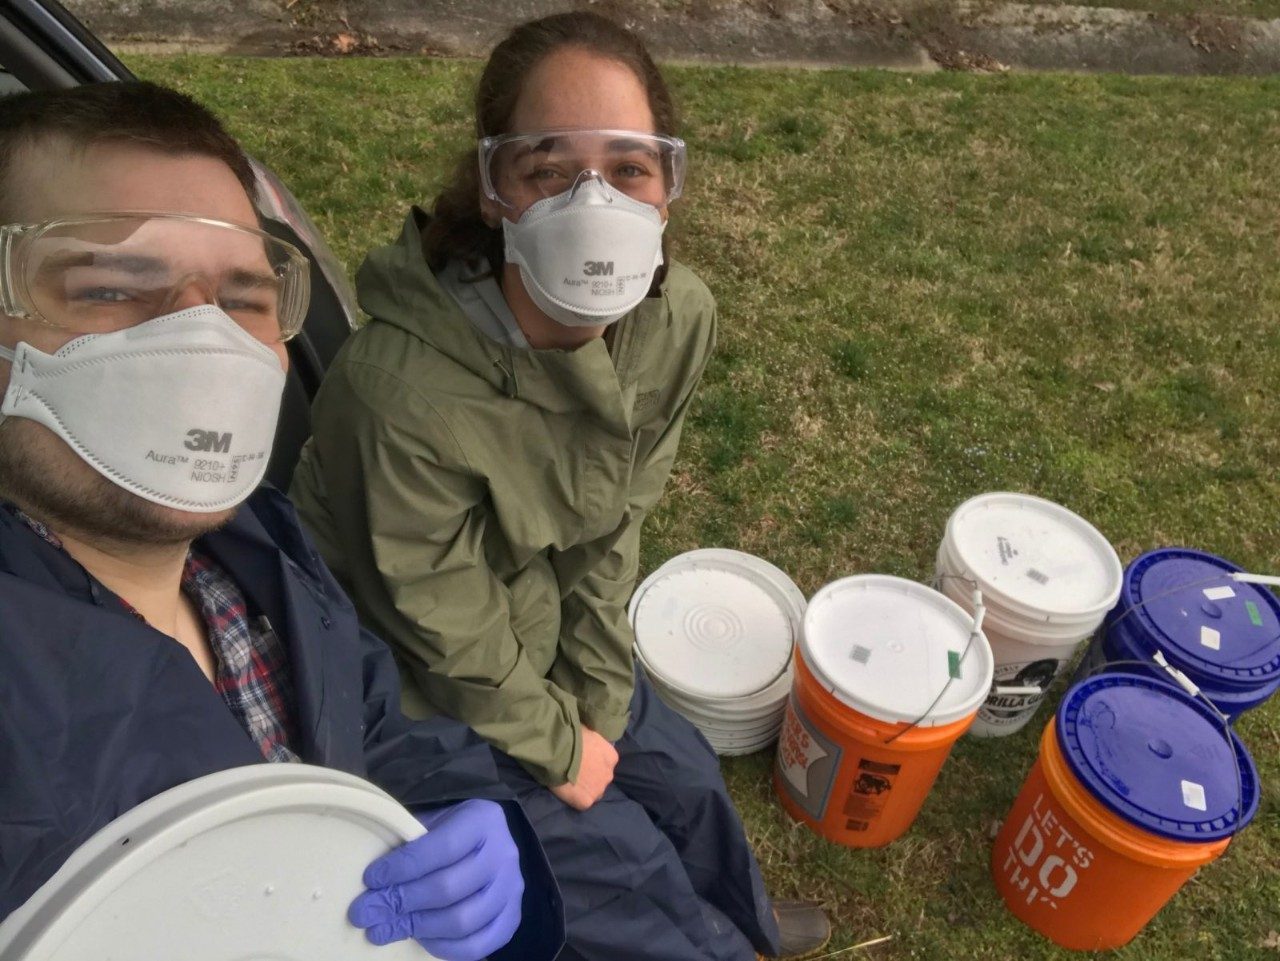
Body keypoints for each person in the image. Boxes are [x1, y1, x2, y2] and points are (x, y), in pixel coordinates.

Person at [289, 13, 829, 961]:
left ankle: (736, 917)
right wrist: (564, 745)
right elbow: (435, 624)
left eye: (628, 168)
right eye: (549, 171)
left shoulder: (671, 320)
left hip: (542, 626)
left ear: (667, 186)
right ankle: (698, 935)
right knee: (621, 875)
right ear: (496, 191)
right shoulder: (397, 394)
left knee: (687, 780)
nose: (595, 202)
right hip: (416, 684)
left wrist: (599, 695)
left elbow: (612, 529)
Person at [0, 81, 563, 961]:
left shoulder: (258, 549)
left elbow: (376, 730)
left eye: (243, 297)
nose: (200, 341)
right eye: (112, 288)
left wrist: (464, 827)